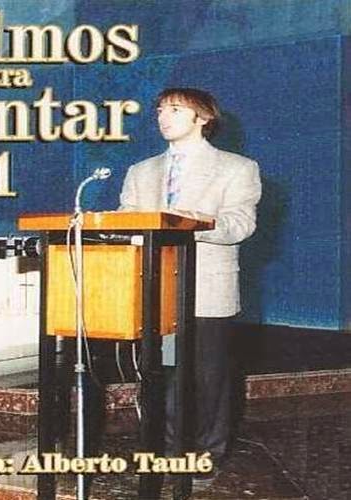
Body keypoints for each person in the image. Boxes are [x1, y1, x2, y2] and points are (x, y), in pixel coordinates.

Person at [119, 87, 262, 487]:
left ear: (203, 117)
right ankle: (165, 452)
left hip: (208, 289)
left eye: (175, 109)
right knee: (160, 374)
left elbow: (240, 225)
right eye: (160, 110)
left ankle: (206, 454)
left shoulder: (237, 168)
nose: (163, 117)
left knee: (208, 377)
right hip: (156, 289)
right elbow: (127, 221)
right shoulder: (140, 171)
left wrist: (192, 222)